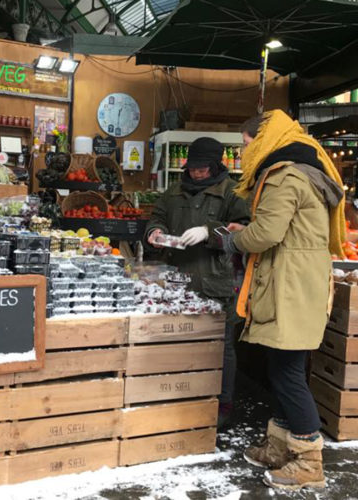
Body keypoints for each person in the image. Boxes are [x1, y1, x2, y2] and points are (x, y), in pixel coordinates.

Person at [221, 110, 346, 491]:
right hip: (296, 283)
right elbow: (283, 228)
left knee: (289, 373)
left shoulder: (284, 175)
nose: (245, 154)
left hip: (289, 287)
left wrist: (232, 239)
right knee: (281, 368)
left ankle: (309, 464)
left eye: (246, 145)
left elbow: (267, 234)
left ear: (264, 139)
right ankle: (279, 447)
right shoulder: (305, 170)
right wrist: (250, 230)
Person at [145, 137, 250, 427]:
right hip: (176, 282)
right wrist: (155, 232)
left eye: (203, 168)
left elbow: (245, 232)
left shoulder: (232, 193)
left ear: (216, 166)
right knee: (179, 343)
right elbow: (157, 217)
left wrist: (210, 232)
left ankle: (222, 405)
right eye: (192, 168)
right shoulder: (174, 191)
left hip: (217, 282)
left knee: (221, 347)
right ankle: (181, 399)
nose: (197, 173)